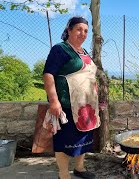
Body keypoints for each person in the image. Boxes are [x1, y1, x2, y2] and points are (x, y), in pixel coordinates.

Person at [43, 16, 103, 179]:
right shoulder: (60, 49)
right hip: (67, 105)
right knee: (64, 141)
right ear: (68, 30)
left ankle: (79, 168)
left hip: (87, 107)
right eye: (78, 29)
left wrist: (98, 101)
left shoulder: (84, 52)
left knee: (84, 138)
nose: (83, 33)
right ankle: (64, 175)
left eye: (85, 31)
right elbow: (48, 75)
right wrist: (54, 101)